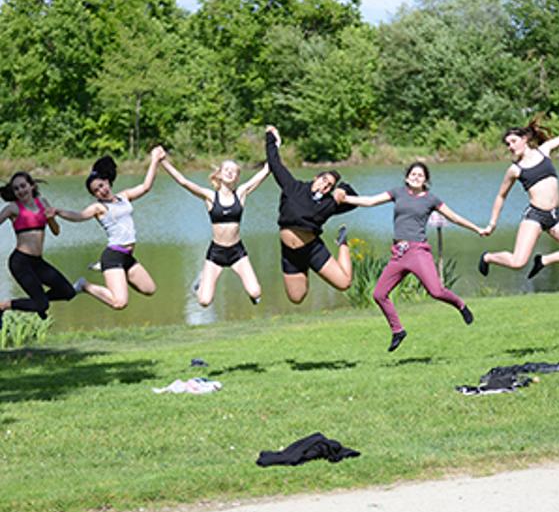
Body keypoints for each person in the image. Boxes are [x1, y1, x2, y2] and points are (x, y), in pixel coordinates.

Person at [337, 162, 485, 352]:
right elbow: (370, 201)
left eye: (420, 175)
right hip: (398, 253)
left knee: (436, 291)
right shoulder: (397, 193)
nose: (416, 177)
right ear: (407, 178)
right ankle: (397, 330)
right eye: (413, 174)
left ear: (425, 180)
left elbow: (454, 217)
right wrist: (345, 198)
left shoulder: (431, 199)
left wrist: (477, 229)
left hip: (418, 252)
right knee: (379, 294)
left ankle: (460, 305)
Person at [479, 118, 559, 280]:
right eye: (508, 144)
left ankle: (544, 260)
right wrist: (492, 224)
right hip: (535, 216)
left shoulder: (544, 151)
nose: (510, 147)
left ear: (525, 139)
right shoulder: (515, 170)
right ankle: (488, 257)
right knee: (518, 262)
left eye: (513, 141)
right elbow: (501, 196)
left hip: (555, 216)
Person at [54, 148, 165, 309]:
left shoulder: (124, 196)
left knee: (149, 289)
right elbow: (79, 216)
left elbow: (146, 186)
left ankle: (114, 274)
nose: (101, 191)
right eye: (96, 191)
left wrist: (154, 160)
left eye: (101, 185)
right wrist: (58, 212)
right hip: (113, 256)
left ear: (107, 181)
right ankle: (85, 285)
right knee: (119, 303)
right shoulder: (99, 207)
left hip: (127, 256)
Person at [265, 126, 357, 306]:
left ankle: (343, 242)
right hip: (290, 252)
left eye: (329, 186)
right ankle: (306, 269)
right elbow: (275, 164)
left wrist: (342, 189)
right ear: (316, 177)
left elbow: (354, 202)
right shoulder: (293, 187)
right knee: (297, 297)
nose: (325, 186)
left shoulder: (329, 203)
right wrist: (270, 137)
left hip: (312, 250)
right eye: (324, 180)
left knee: (344, 283)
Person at [161, 155, 270, 306]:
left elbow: (264, 172)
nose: (230, 172)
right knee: (204, 301)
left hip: (237, 252)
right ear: (219, 174)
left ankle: (252, 293)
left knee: (255, 292)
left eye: (233, 171)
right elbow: (183, 182)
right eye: (226, 169)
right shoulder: (211, 197)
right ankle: (200, 282)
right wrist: (163, 161)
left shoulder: (241, 193)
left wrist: (274, 148)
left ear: (237, 177)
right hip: (216, 253)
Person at [0, 172, 75, 322]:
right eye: (16, 189)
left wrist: (50, 218)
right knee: (42, 304)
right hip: (20, 262)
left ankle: (38, 303)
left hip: (38, 262)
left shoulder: (43, 202)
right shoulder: (13, 208)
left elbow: (56, 231)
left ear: (32, 186)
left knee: (68, 292)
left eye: (23, 186)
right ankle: (3, 306)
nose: (20, 191)